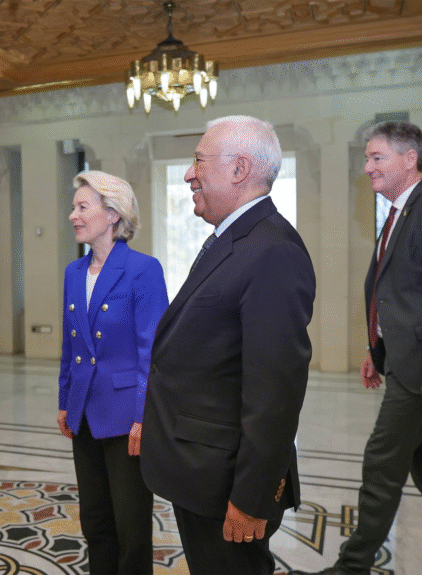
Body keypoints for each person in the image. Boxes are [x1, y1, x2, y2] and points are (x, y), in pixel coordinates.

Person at [291, 121, 422, 575]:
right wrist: (377, 348)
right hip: (408, 358)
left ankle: (352, 567)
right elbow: (402, 296)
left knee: (381, 462)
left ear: (410, 159)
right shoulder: (399, 213)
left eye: (376, 157)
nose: (367, 167)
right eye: (367, 158)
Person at [141, 115, 316, 574]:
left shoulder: (273, 250)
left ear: (239, 169)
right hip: (203, 472)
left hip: (228, 483)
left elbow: (275, 393)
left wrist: (251, 498)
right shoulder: (235, 239)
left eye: (199, 160)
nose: (188, 174)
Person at [57, 170, 168, 575]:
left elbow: (152, 354)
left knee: (130, 529)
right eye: (74, 207)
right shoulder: (73, 272)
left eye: (82, 207)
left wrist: (143, 416)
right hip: (84, 413)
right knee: (96, 522)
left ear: (113, 214)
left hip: (125, 419)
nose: (73, 215)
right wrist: (65, 400)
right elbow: (71, 346)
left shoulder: (143, 270)